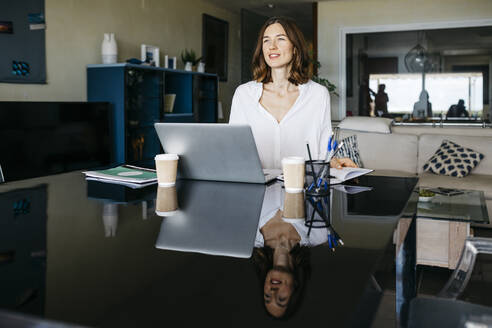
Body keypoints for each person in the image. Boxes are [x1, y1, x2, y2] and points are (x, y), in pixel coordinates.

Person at [229, 17, 356, 170]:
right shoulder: (244, 95)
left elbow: (324, 150)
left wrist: (334, 162)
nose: (272, 46)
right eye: (266, 41)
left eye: (280, 39)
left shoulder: (318, 95)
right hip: (256, 188)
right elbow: (234, 148)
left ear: (295, 48)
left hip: (301, 188)